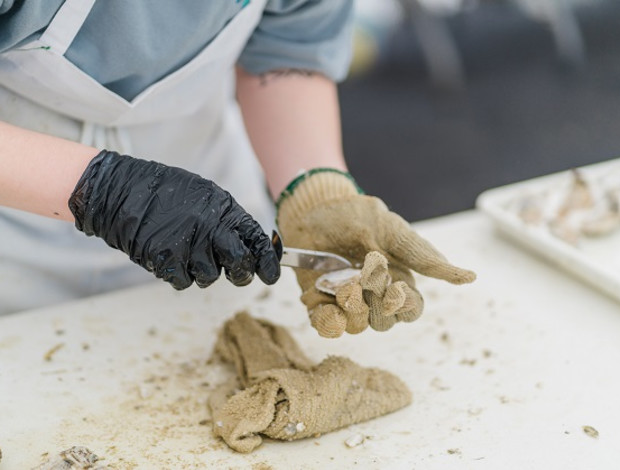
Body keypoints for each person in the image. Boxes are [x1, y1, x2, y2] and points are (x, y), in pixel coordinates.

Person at [0, 0, 475, 335]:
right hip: (16, 236)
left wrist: (316, 191)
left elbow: (287, 51)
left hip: (206, 204)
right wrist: (106, 192)